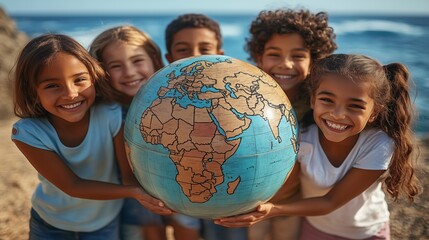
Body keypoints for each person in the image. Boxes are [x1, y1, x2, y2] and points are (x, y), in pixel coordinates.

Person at [216, 54, 421, 239]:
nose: (338, 114)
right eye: (327, 100)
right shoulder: (301, 137)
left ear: (374, 112)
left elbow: (330, 202)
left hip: (366, 233)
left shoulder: (378, 144)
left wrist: (273, 210)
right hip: (315, 229)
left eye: (355, 105)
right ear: (313, 100)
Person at [11, 33, 172, 240]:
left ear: (94, 77)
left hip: (103, 224)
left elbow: (127, 176)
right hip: (50, 223)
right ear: (33, 91)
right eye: (52, 85)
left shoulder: (110, 115)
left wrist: (161, 197)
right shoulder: (28, 132)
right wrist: (134, 193)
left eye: (79, 80)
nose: (70, 93)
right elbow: (72, 185)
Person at [242, 8, 337, 240]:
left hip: (292, 203)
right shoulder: (246, 99)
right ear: (259, 58)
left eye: (298, 55)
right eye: (274, 54)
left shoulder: (318, 105)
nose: (285, 64)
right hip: (251, 203)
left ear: (313, 60)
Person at [164, 13, 247, 240]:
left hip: (228, 189)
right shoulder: (159, 97)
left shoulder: (233, 95)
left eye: (204, 48)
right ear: (169, 57)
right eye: (183, 49)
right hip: (181, 186)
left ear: (220, 56)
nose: (194, 56)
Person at [89, 25, 168, 240]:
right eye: (116, 66)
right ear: (101, 71)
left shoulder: (171, 103)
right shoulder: (106, 113)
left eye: (137, 61)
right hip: (122, 210)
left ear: (154, 58)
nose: (129, 72)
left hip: (168, 199)